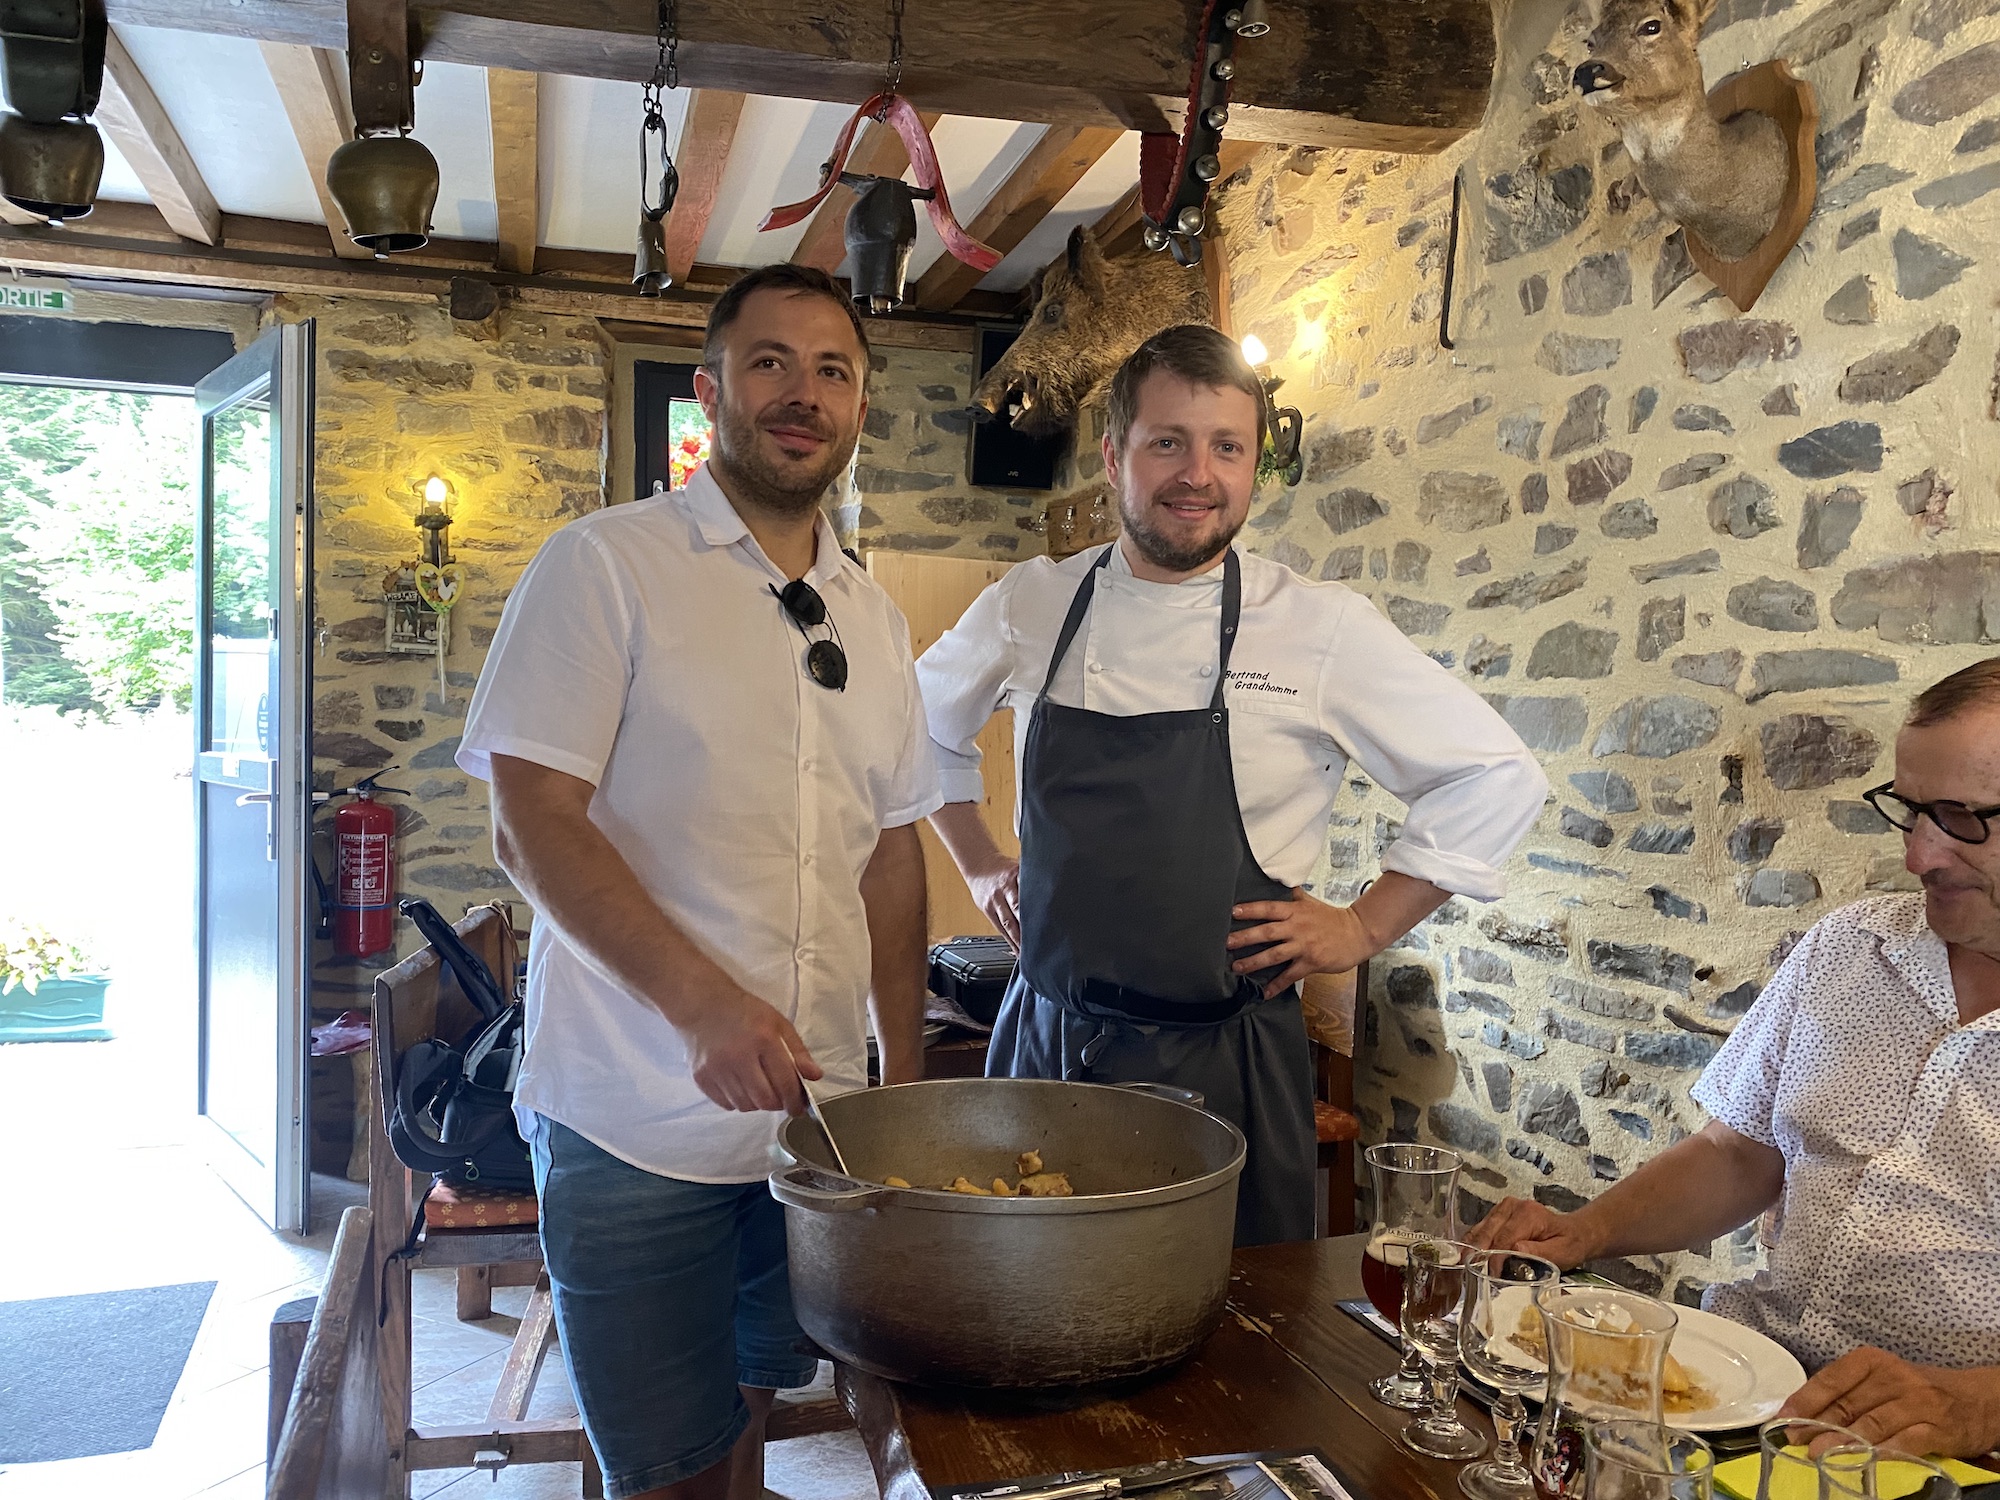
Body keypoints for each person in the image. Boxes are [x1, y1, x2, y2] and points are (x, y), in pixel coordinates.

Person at [457, 263, 940, 1500]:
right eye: (770, 362)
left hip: (810, 1125)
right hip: (633, 1113)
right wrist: (701, 1007)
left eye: (832, 370)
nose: (802, 393)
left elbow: (888, 851)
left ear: (859, 407)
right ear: (710, 390)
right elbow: (532, 819)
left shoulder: (873, 616)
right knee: (659, 1466)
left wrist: (908, 1083)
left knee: (749, 1416)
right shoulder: (606, 566)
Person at [915, 323, 1549, 1247]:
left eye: (1226, 447)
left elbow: (1494, 774)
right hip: (1045, 1047)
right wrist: (976, 864)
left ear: (1255, 466)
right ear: (1113, 455)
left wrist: (1363, 925)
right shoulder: (1032, 603)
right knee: (1021, 1313)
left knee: (1230, 1347)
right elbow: (914, 730)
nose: (1196, 474)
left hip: (1227, 1064)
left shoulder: (1320, 628)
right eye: (1167, 441)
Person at [1470, 656, 2000, 1458]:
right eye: (1912, 811)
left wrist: (1975, 1408)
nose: (1922, 855)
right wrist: (1584, 1233)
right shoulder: (1851, 947)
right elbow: (1740, 1152)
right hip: (1755, 1394)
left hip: (1954, 1454)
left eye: (1962, 818)